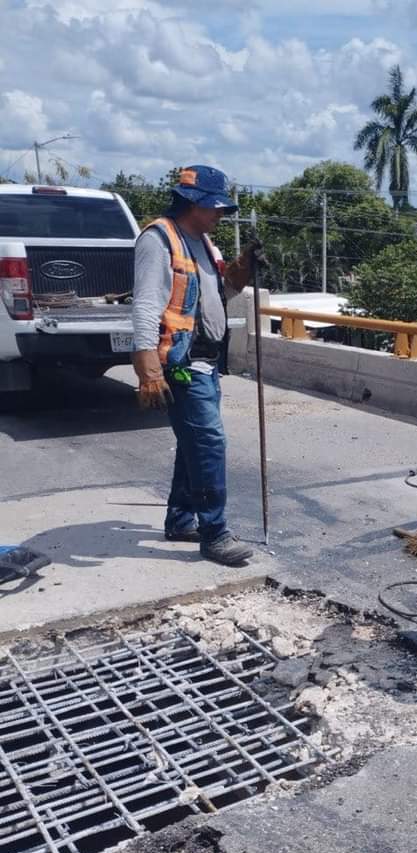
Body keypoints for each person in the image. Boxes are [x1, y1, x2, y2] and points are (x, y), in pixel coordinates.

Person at [131, 165, 261, 566]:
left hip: (205, 362)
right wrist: (148, 369)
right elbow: (146, 305)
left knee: (193, 443)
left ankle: (180, 519)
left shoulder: (204, 243)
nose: (220, 216)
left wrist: (242, 267)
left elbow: (219, 292)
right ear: (193, 203)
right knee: (208, 444)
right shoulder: (158, 240)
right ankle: (214, 534)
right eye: (215, 208)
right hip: (179, 363)